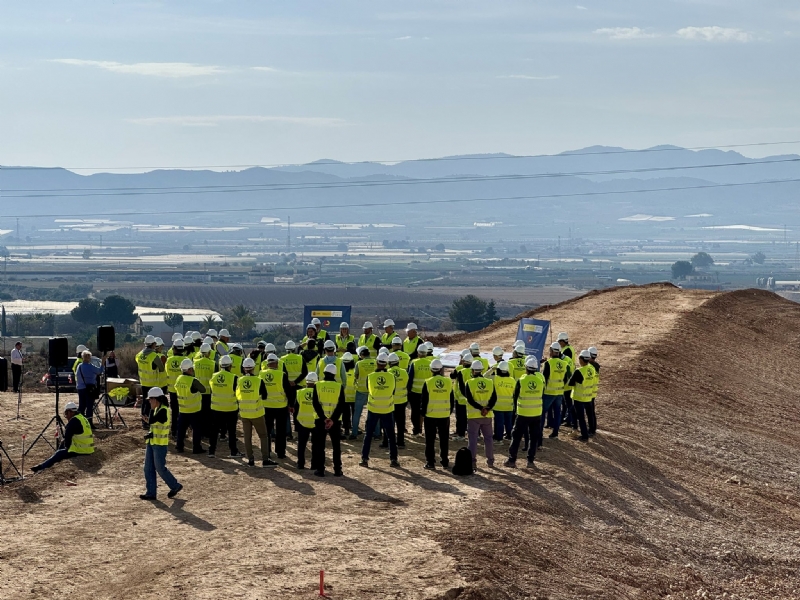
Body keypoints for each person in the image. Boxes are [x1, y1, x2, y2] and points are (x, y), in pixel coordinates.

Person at [139, 388, 183, 500]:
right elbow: (153, 425)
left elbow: (152, 421)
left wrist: (150, 412)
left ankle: (175, 485)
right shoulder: (157, 409)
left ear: (156, 399)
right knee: (148, 469)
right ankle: (151, 493)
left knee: (160, 468)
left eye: (150, 399)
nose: (149, 402)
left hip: (159, 445)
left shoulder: (163, 410)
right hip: (152, 443)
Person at [359, 354, 399, 468]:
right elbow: (393, 391)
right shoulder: (391, 377)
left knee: (368, 434)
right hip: (387, 409)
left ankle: (364, 458)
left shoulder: (370, 376)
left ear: (377, 363)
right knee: (391, 435)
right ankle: (394, 459)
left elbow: (368, 389)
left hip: (373, 409)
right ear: (386, 363)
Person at [31, 402, 94, 472]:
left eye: (67, 413)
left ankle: (42, 467)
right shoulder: (82, 418)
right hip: (89, 449)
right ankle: (46, 463)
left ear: (71, 412)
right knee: (61, 448)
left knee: (60, 453)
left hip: (81, 450)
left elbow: (67, 437)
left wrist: (66, 449)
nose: (66, 416)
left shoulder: (73, 421)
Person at [505, 357, 545, 468]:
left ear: (526, 368)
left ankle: (512, 460)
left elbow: (515, 396)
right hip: (536, 414)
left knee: (516, 437)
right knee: (534, 438)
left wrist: (515, 410)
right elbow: (542, 394)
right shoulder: (540, 381)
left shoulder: (521, 380)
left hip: (523, 413)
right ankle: (530, 461)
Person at [237, 358, 277, 467]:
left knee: (247, 437)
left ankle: (250, 460)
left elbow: (237, 395)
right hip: (257, 413)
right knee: (263, 436)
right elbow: (264, 396)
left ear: (244, 368)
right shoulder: (259, 381)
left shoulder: (239, 380)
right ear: (254, 367)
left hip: (244, 413)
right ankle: (265, 459)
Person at [312, 364, 346, 477]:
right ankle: (337, 470)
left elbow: (315, 404)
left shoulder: (317, 385)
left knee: (320, 445)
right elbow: (341, 405)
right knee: (336, 446)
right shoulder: (339, 386)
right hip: (335, 422)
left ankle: (320, 469)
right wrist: (332, 419)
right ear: (334, 374)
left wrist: (324, 418)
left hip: (320, 420)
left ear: (324, 373)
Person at [420, 359, 453, 470]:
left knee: (430, 440)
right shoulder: (448, 382)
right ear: (441, 369)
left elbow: (424, 400)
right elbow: (451, 399)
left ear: (431, 369)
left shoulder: (428, 382)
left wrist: (423, 413)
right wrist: (449, 411)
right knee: (444, 439)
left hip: (431, 415)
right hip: (444, 415)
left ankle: (430, 462)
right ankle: (444, 461)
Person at [208, 355, 243, 458]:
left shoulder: (213, 376)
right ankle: (233, 451)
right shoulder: (234, 378)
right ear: (230, 366)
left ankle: (211, 451)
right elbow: (238, 393)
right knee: (232, 431)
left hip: (216, 408)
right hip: (230, 408)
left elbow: (212, 390)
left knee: (214, 431)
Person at [465, 360, 497, 469]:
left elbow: (469, 399)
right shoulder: (490, 382)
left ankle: (472, 461)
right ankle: (490, 460)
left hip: (474, 416)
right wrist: (487, 409)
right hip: (487, 416)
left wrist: (480, 408)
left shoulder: (469, 383)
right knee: (488, 438)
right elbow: (494, 398)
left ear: (473, 371)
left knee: (473, 439)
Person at [260, 353, 292, 459]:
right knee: (281, 431)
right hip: (280, 406)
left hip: (266, 406)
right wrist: (291, 404)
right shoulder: (282, 375)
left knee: (267, 431)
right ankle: (280, 452)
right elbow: (288, 391)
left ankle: (267, 451)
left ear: (267, 363)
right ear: (277, 363)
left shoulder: (261, 374)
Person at [174, 359, 207, 454]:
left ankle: (179, 446)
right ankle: (196, 448)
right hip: (194, 410)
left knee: (181, 429)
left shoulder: (179, 379)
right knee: (196, 429)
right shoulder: (193, 381)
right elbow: (203, 390)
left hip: (183, 409)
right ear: (189, 369)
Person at [541, 342, 570, 443]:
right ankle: (555, 433)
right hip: (559, 392)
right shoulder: (565, 364)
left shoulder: (548, 363)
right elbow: (566, 379)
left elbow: (544, 378)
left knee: (542, 413)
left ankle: (539, 433)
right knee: (557, 412)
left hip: (549, 392)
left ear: (552, 351)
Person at [136, 335, 165, 429]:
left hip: (143, 382)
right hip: (152, 383)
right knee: (150, 403)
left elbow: (137, 360)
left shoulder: (139, 354)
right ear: (153, 344)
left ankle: (143, 421)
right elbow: (161, 368)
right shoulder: (153, 356)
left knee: (145, 402)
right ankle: (147, 422)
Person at [568, 350, 597, 442]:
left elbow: (570, 383)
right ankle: (590, 430)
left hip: (579, 398)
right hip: (588, 397)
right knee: (587, 414)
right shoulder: (591, 368)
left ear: (581, 359)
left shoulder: (579, 371)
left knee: (581, 417)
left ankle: (584, 435)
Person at [407, 342, 433, 436]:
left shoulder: (414, 363)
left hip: (415, 392)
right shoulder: (430, 363)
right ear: (426, 353)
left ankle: (416, 430)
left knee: (415, 412)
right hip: (428, 392)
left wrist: (408, 390)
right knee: (426, 411)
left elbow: (410, 378)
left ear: (418, 353)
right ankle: (427, 431)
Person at [350, 346, 377, 439]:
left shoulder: (359, 363)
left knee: (357, 413)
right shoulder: (375, 362)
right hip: (373, 391)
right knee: (374, 412)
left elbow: (356, 375)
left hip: (361, 390)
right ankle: (376, 433)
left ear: (362, 355)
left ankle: (354, 433)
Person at [294, 373, 318, 470]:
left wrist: (296, 423)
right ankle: (314, 465)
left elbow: (296, 409)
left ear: (306, 381)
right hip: (315, 422)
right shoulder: (318, 393)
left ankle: (300, 464)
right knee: (315, 444)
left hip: (302, 422)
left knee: (301, 444)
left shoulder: (300, 392)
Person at [386, 353, 409, 448]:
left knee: (390, 423)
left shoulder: (387, 372)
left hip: (391, 401)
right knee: (400, 423)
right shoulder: (404, 372)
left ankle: (389, 441)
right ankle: (400, 442)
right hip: (402, 400)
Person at [164, 340, 186, 437]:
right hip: (183, 391)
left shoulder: (169, 360)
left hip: (172, 390)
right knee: (183, 412)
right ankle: (182, 432)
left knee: (174, 411)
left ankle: (174, 431)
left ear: (174, 349)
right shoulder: (186, 360)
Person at [75, 350, 103, 423]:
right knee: (89, 406)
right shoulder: (91, 367)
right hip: (89, 389)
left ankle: (80, 422)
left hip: (80, 388)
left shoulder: (79, 366)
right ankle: (89, 422)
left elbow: (77, 376)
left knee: (81, 406)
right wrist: (103, 363)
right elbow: (100, 371)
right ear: (89, 358)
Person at [451, 350, 473, 441]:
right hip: (471, 400)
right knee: (471, 418)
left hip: (461, 399)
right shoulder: (474, 371)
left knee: (461, 418)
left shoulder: (460, 370)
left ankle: (461, 434)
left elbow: (452, 376)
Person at [491, 361, 516, 443]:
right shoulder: (512, 380)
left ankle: (499, 439)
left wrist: (491, 369)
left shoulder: (496, 378)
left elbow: (484, 376)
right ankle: (509, 436)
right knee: (509, 423)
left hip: (498, 406)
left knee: (499, 423)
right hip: (509, 406)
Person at [557, 332, 576, 430]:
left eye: (559, 342)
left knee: (567, 402)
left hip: (567, 379)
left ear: (563, 341)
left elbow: (564, 365)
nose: (559, 344)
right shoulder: (569, 348)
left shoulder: (567, 351)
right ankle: (566, 418)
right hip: (569, 377)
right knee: (566, 402)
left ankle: (571, 419)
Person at [341, 352, 356, 436]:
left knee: (345, 415)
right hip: (354, 396)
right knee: (354, 414)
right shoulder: (354, 371)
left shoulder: (341, 372)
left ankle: (346, 429)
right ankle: (354, 430)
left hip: (345, 397)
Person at [587, 346, 600, 436]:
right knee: (591, 411)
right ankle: (593, 428)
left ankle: (591, 429)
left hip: (588, 392)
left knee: (590, 412)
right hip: (593, 391)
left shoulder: (591, 367)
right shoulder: (596, 366)